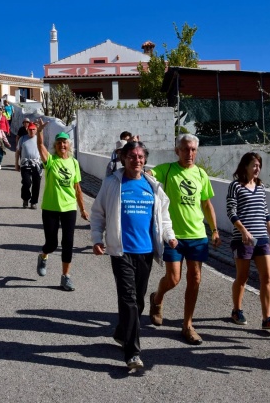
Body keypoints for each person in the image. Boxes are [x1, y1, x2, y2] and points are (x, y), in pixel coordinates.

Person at [91, 141, 178, 370]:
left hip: (146, 251)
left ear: (145, 159)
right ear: (123, 158)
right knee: (128, 300)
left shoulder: (153, 186)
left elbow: (163, 217)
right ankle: (133, 353)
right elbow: (98, 212)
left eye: (140, 156)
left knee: (138, 301)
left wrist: (169, 236)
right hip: (120, 250)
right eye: (132, 156)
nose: (136, 160)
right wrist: (96, 238)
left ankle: (122, 332)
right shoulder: (112, 183)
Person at [148, 133, 220, 345]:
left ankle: (187, 325)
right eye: (185, 149)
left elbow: (206, 204)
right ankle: (157, 297)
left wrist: (214, 230)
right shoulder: (167, 169)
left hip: (197, 235)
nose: (189, 153)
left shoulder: (201, 174)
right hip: (173, 236)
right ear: (177, 150)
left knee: (195, 278)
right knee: (173, 279)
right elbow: (149, 174)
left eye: (193, 150)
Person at [226, 152, 270, 329]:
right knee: (242, 277)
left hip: (262, 239)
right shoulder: (235, 186)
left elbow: (265, 212)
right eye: (254, 165)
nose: (257, 168)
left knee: (267, 278)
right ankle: (237, 310)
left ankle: (267, 318)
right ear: (245, 167)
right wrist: (243, 231)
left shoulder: (261, 187)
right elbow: (231, 212)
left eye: (259, 165)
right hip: (243, 240)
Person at [35, 120, 89, 291]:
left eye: (64, 142)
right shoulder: (50, 161)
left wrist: (82, 209)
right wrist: (39, 133)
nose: (62, 145)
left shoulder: (73, 163)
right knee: (51, 244)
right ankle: (43, 256)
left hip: (69, 208)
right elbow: (40, 147)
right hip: (50, 207)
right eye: (59, 143)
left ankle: (65, 277)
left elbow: (77, 188)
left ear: (69, 145)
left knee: (68, 243)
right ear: (55, 146)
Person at [15, 123, 42, 208]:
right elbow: (18, 152)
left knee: (36, 184)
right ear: (27, 130)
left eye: (33, 129)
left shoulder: (39, 139)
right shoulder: (22, 139)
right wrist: (16, 164)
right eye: (30, 129)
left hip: (36, 165)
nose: (32, 131)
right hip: (25, 164)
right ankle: (25, 199)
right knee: (26, 183)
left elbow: (43, 152)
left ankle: (33, 202)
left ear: (36, 130)